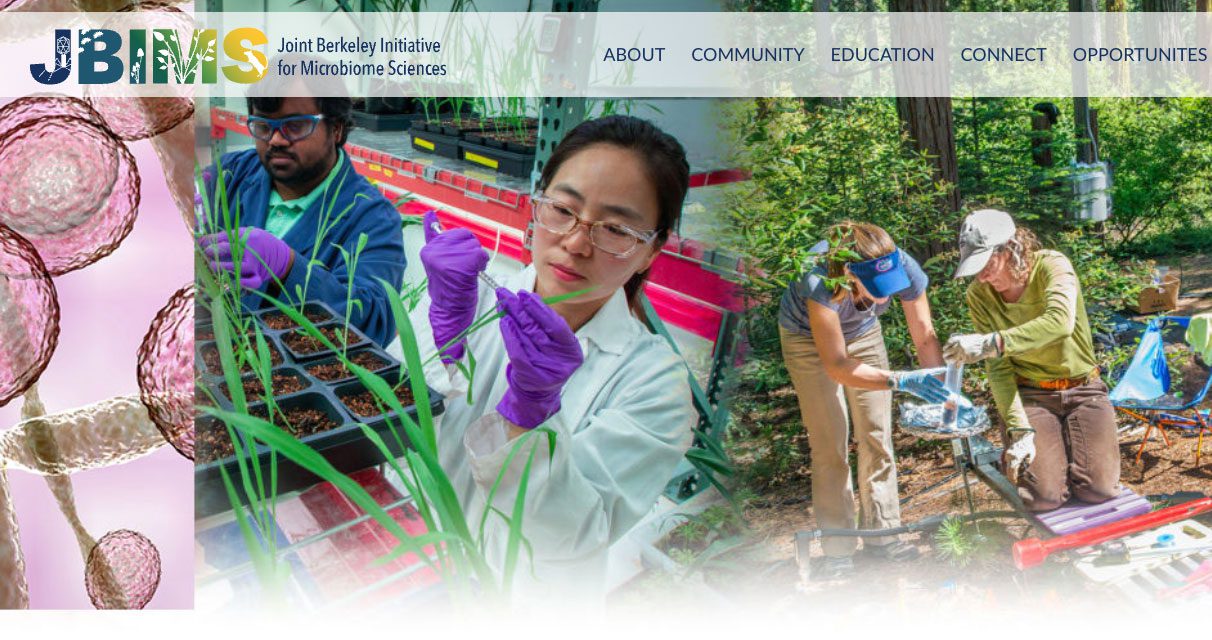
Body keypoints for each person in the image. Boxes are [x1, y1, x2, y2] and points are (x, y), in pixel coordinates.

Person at [396, 116, 695, 600]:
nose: (575, 244)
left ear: (650, 251)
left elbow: (573, 537)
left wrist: (531, 417)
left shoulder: (656, 385)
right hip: (402, 565)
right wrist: (439, 343)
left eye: (616, 229)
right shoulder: (468, 297)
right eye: (562, 209)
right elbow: (382, 425)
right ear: (536, 208)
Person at [778, 222, 948, 580]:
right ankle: (839, 547)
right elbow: (838, 366)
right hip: (809, 342)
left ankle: (883, 534)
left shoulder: (904, 265)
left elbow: (925, 337)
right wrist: (900, 380)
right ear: (850, 273)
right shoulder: (819, 280)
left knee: (876, 434)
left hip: (864, 333)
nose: (885, 298)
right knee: (829, 444)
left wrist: (943, 392)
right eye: (876, 289)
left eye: (890, 288)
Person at [199, 73, 405, 347]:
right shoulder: (232, 173)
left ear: (336, 129)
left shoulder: (372, 218)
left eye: (294, 126)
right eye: (263, 126)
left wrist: (288, 268)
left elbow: (373, 323)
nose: (276, 140)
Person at [945, 209, 1120, 512]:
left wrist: (995, 342)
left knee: (1100, 490)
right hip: (1031, 395)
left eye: (988, 263)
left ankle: (1067, 457)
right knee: (1044, 498)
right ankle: (1041, 457)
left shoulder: (1052, 265)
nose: (983, 276)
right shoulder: (979, 295)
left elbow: (1059, 323)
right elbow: (998, 368)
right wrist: (1019, 429)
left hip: (1084, 389)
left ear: (1011, 247)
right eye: (976, 268)